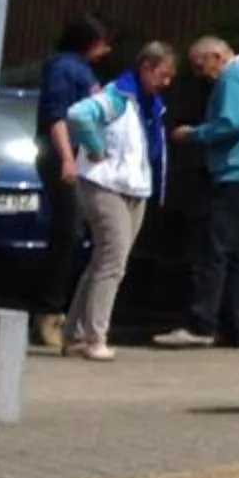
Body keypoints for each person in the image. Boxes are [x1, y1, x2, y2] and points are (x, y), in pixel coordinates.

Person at [161, 37, 239, 349]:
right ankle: (235, 328)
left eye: (201, 66)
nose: (201, 74)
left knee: (212, 248)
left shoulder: (233, 78)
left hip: (237, 172)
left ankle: (201, 324)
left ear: (216, 57)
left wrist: (195, 133)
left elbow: (233, 122)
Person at [63, 44, 175, 362]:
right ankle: (95, 336)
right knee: (113, 261)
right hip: (105, 183)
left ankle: (73, 334)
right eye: (163, 74)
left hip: (134, 187)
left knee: (105, 260)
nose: (167, 82)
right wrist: (94, 146)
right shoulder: (118, 96)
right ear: (147, 67)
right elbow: (78, 114)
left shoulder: (150, 103)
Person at [36, 14, 113, 354]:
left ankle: (63, 311)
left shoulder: (80, 69)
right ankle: (50, 311)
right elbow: (57, 116)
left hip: (80, 158)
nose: (106, 49)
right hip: (65, 157)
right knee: (66, 232)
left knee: (76, 232)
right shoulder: (65, 69)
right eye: (100, 42)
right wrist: (67, 157)